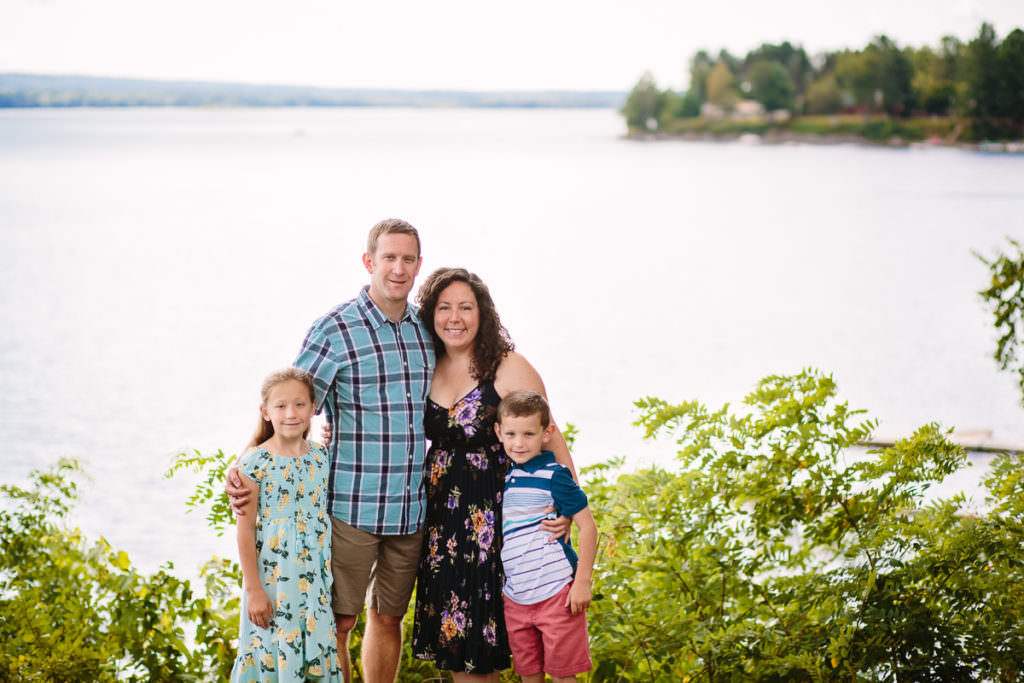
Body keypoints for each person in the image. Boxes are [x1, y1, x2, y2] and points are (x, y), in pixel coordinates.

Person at [227, 218, 433, 683]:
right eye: (389, 258)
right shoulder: (334, 329)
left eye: (408, 259)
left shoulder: (426, 328)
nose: (398, 268)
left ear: (419, 265)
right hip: (350, 505)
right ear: (369, 262)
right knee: (338, 623)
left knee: (388, 619)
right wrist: (244, 461)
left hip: (410, 507)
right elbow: (288, 404)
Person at [410, 267, 577, 682]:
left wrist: (568, 510)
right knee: (459, 645)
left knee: (521, 643)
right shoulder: (425, 364)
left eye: (466, 307)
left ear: (482, 313)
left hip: (504, 519)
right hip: (443, 525)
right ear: (431, 314)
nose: (455, 317)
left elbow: (553, 440)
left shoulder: (507, 366)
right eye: (444, 307)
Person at [231, 368, 341, 682]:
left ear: (312, 408)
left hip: (314, 586)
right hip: (273, 583)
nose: (291, 414)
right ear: (265, 412)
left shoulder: (320, 457)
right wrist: (253, 590)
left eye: (299, 405)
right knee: (271, 651)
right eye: (280, 406)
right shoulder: (255, 463)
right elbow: (246, 529)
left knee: (314, 652)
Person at [495, 390, 596, 683]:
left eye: (528, 434)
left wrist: (582, 583)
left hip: (557, 595)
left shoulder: (555, 475)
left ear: (547, 432)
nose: (519, 443)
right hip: (516, 597)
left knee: (564, 676)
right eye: (511, 433)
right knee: (529, 676)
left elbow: (588, 527)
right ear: (498, 432)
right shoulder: (507, 477)